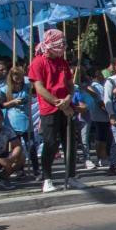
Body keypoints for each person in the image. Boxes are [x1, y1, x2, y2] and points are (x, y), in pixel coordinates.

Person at [28, 29, 84, 192]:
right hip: (49, 109)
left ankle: (71, 176)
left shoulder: (63, 62)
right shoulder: (38, 62)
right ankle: (47, 179)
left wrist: (68, 99)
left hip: (66, 107)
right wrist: (58, 103)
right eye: (59, 44)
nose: (62, 47)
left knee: (70, 143)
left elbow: (69, 84)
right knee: (50, 144)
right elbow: (39, 87)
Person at [1, 65, 38, 177]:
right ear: (11, 76)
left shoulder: (27, 87)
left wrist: (33, 82)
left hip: (26, 122)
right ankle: (19, 169)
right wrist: (12, 102)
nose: (17, 78)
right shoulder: (4, 89)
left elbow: (36, 93)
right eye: (15, 75)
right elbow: (1, 105)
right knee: (15, 149)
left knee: (31, 147)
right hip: (11, 123)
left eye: (19, 75)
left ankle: (36, 170)